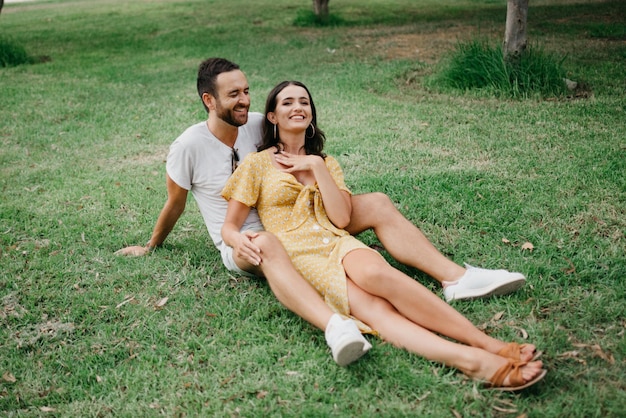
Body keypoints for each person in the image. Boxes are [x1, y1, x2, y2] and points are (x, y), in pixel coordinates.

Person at [116, 58, 526, 365]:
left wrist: (314, 165)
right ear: (209, 100)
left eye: (246, 92)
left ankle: (456, 278)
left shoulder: (262, 125)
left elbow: (323, 183)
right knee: (274, 245)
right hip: (255, 239)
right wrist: (152, 244)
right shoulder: (190, 147)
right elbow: (177, 203)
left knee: (378, 207)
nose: (245, 101)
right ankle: (334, 323)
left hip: (313, 219)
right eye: (234, 95)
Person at [221, 80, 547, 390]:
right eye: (288, 102)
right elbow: (230, 226)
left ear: (311, 114)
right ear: (273, 116)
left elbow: (342, 217)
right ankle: (475, 362)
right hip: (299, 252)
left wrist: (315, 167)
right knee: (375, 309)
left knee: (378, 272)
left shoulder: (326, 163)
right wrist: (237, 241)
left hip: (335, 238)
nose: (298, 107)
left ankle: (489, 343)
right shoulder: (257, 164)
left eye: (304, 102)